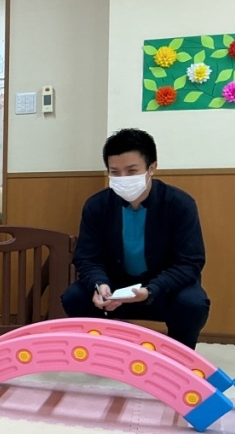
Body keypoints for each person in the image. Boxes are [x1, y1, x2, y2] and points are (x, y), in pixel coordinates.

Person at [61, 128, 209, 349]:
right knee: (74, 296)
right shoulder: (96, 206)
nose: (123, 179)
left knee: (193, 303)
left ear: (152, 168)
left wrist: (151, 290)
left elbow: (189, 262)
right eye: (115, 172)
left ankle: (180, 357)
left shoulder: (180, 204)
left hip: (163, 290)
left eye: (131, 171)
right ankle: (99, 351)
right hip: (115, 290)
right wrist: (99, 284)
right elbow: (87, 258)